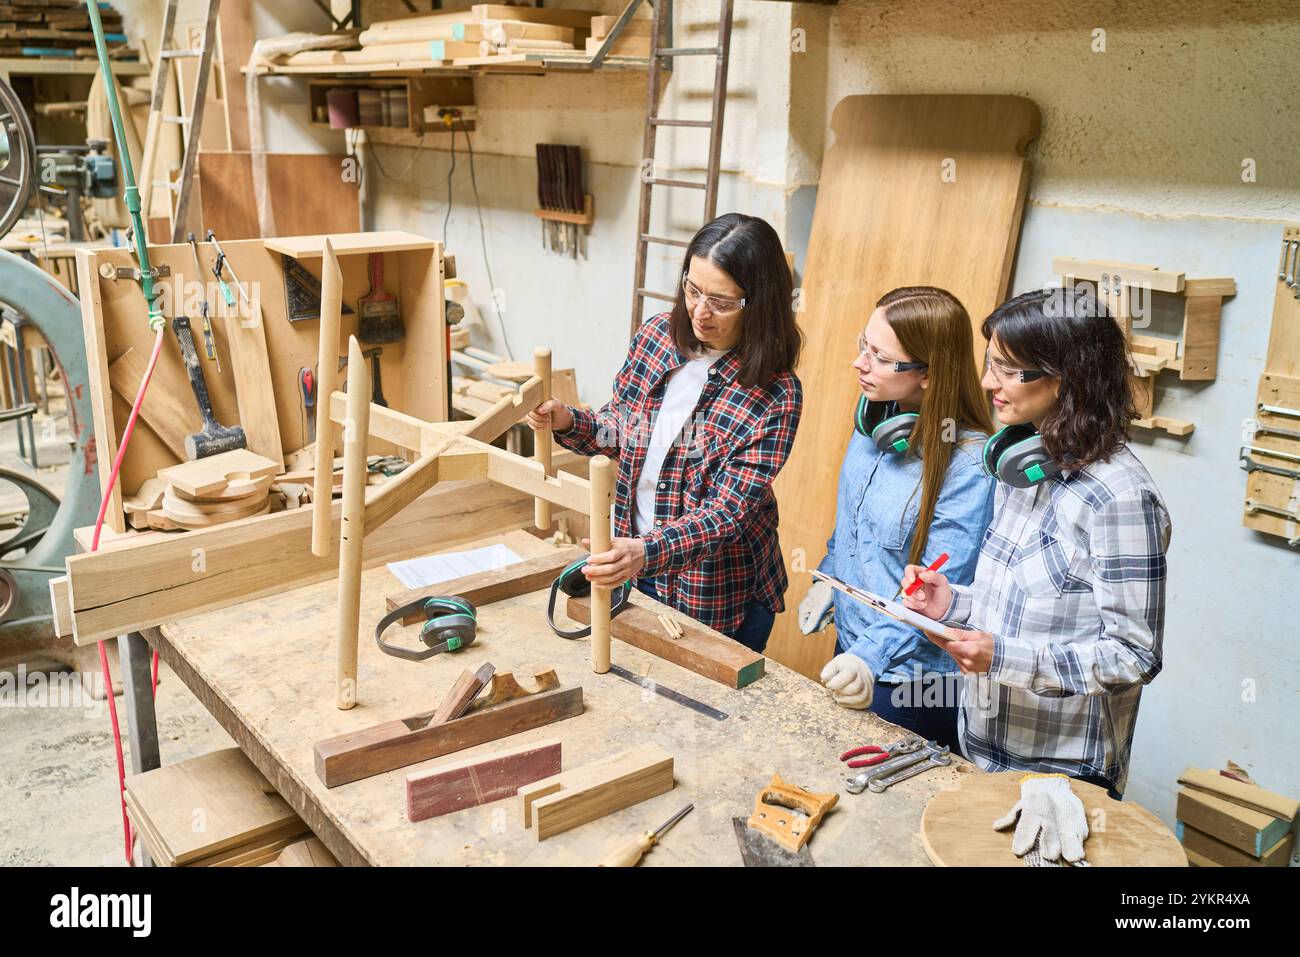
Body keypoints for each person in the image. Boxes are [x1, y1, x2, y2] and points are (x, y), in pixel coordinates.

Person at [902, 286, 1171, 798]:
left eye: (1006, 370)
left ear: (1064, 377)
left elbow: (1135, 655)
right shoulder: (1021, 466)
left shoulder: (1119, 500)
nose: (986, 383)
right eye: (989, 364)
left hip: (1060, 776)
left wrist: (1003, 658)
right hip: (981, 743)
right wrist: (951, 602)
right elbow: (1023, 606)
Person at [527, 213, 803, 651]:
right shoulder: (657, 336)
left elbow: (726, 514)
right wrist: (569, 421)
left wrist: (644, 552)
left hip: (715, 593)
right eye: (692, 290)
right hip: (636, 568)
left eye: (722, 301)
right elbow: (620, 428)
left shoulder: (775, 394)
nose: (700, 311)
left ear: (760, 302)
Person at [800, 287, 994, 750]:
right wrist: (829, 577)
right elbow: (851, 524)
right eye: (862, 345)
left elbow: (933, 587)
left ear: (928, 373)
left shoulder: (968, 468)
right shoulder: (875, 423)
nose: (860, 363)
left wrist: (870, 657)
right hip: (853, 648)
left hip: (909, 681)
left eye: (881, 357)